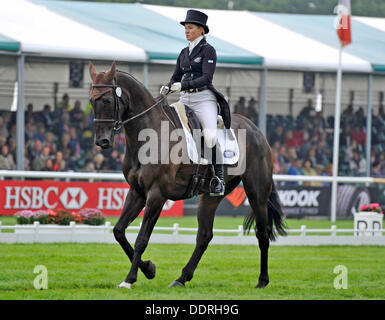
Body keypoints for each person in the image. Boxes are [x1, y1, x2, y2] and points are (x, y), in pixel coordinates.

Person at [160, 9, 231, 196]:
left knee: (209, 136)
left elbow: (207, 78)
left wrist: (182, 85)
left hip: (203, 98)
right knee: (168, 126)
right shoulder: (184, 52)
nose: (186, 31)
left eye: (190, 28)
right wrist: (167, 87)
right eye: (186, 28)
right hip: (185, 99)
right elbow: (176, 76)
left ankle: (219, 179)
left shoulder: (208, 50)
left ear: (201, 30)